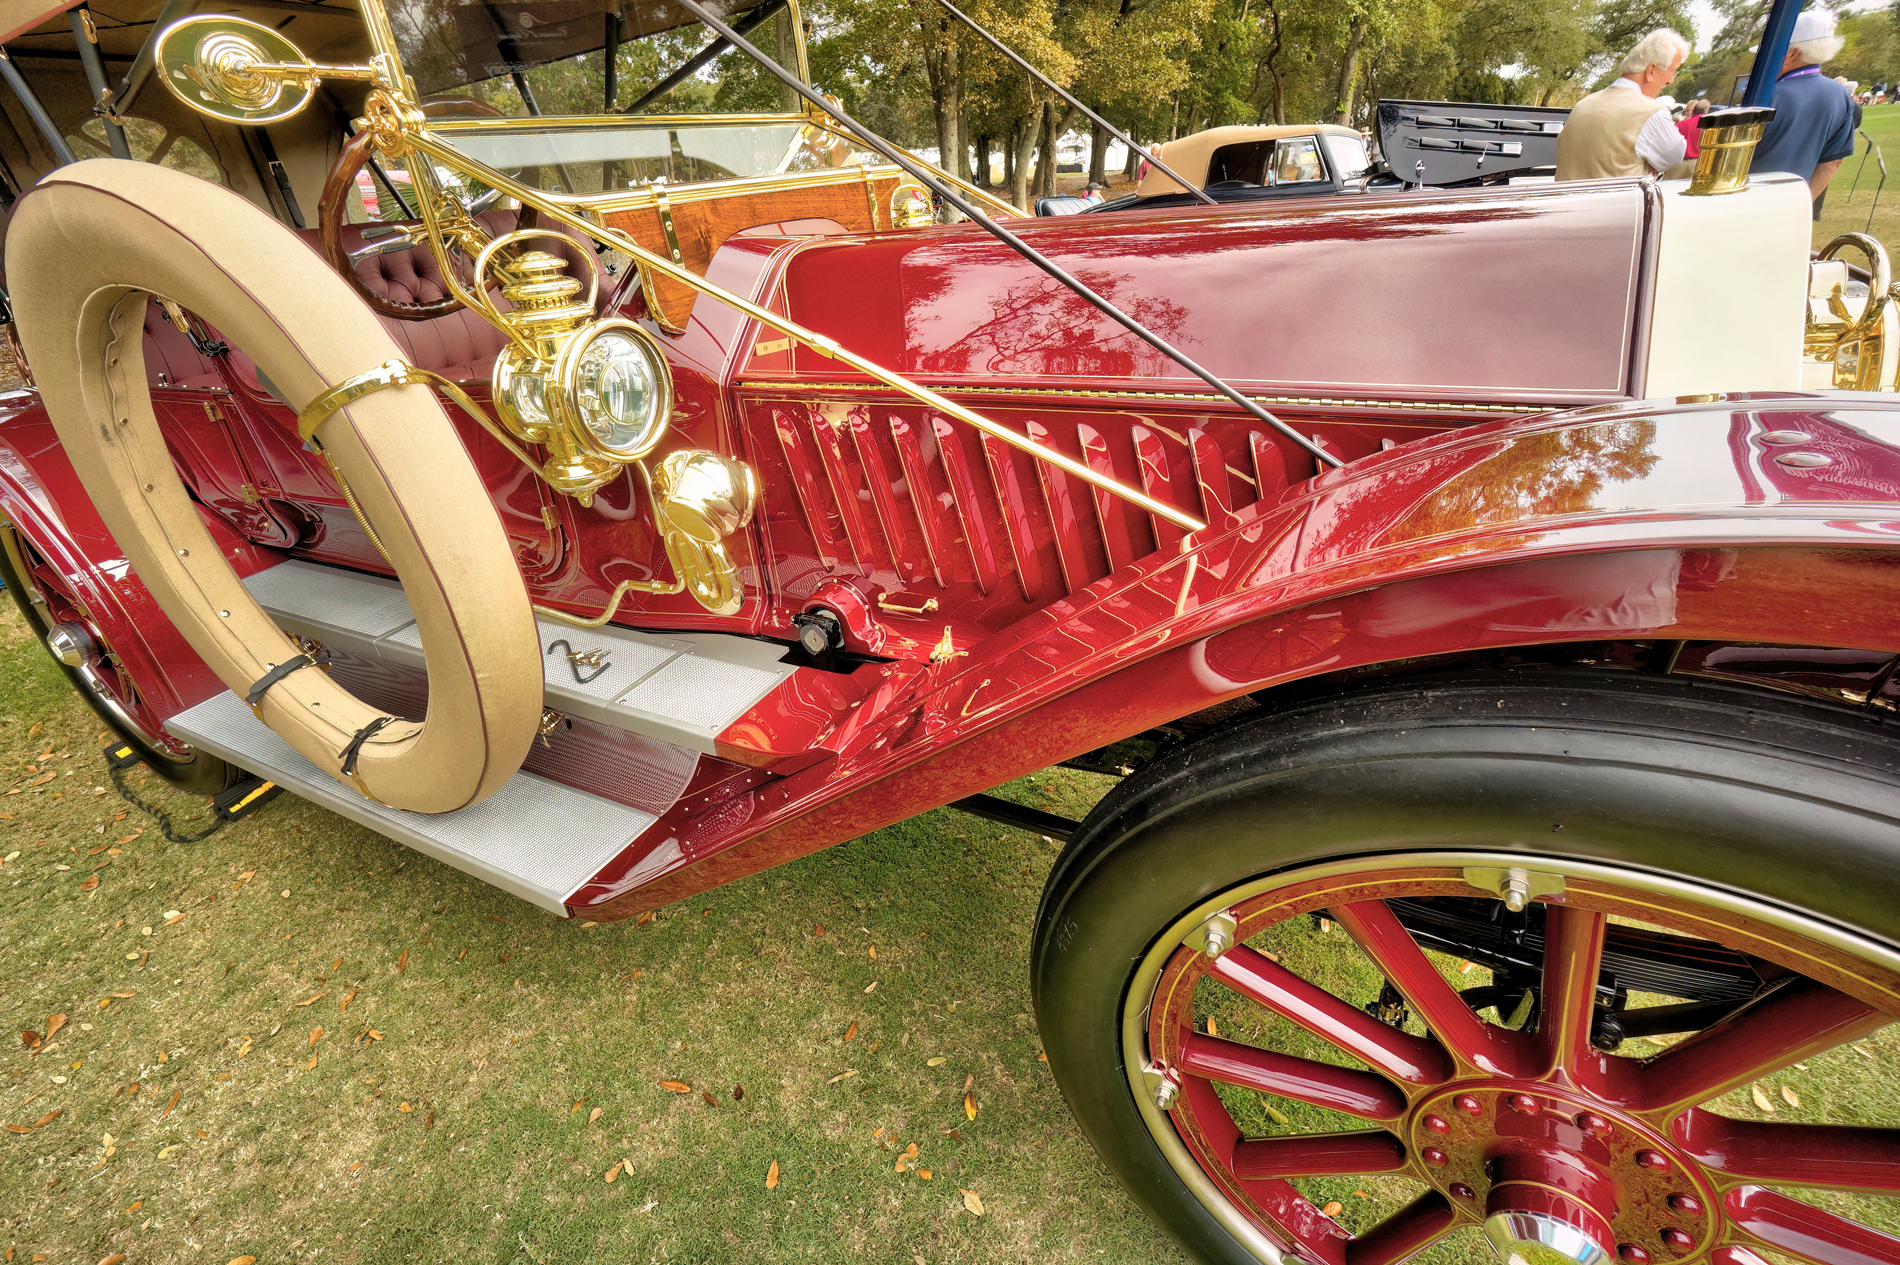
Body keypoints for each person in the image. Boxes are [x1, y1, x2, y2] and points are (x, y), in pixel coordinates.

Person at [1748, 5, 1856, 211]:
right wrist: (1801, 207)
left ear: (1792, 54)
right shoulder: (1840, 95)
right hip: (1793, 207)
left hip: (1747, 204)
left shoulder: (1767, 94)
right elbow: (1832, 161)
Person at [1556, 28, 1691, 180]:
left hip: (1566, 202)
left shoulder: (1582, 105)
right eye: (1672, 71)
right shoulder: (1651, 112)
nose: (1670, 80)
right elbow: (1675, 157)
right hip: (1615, 203)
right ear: (1651, 70)